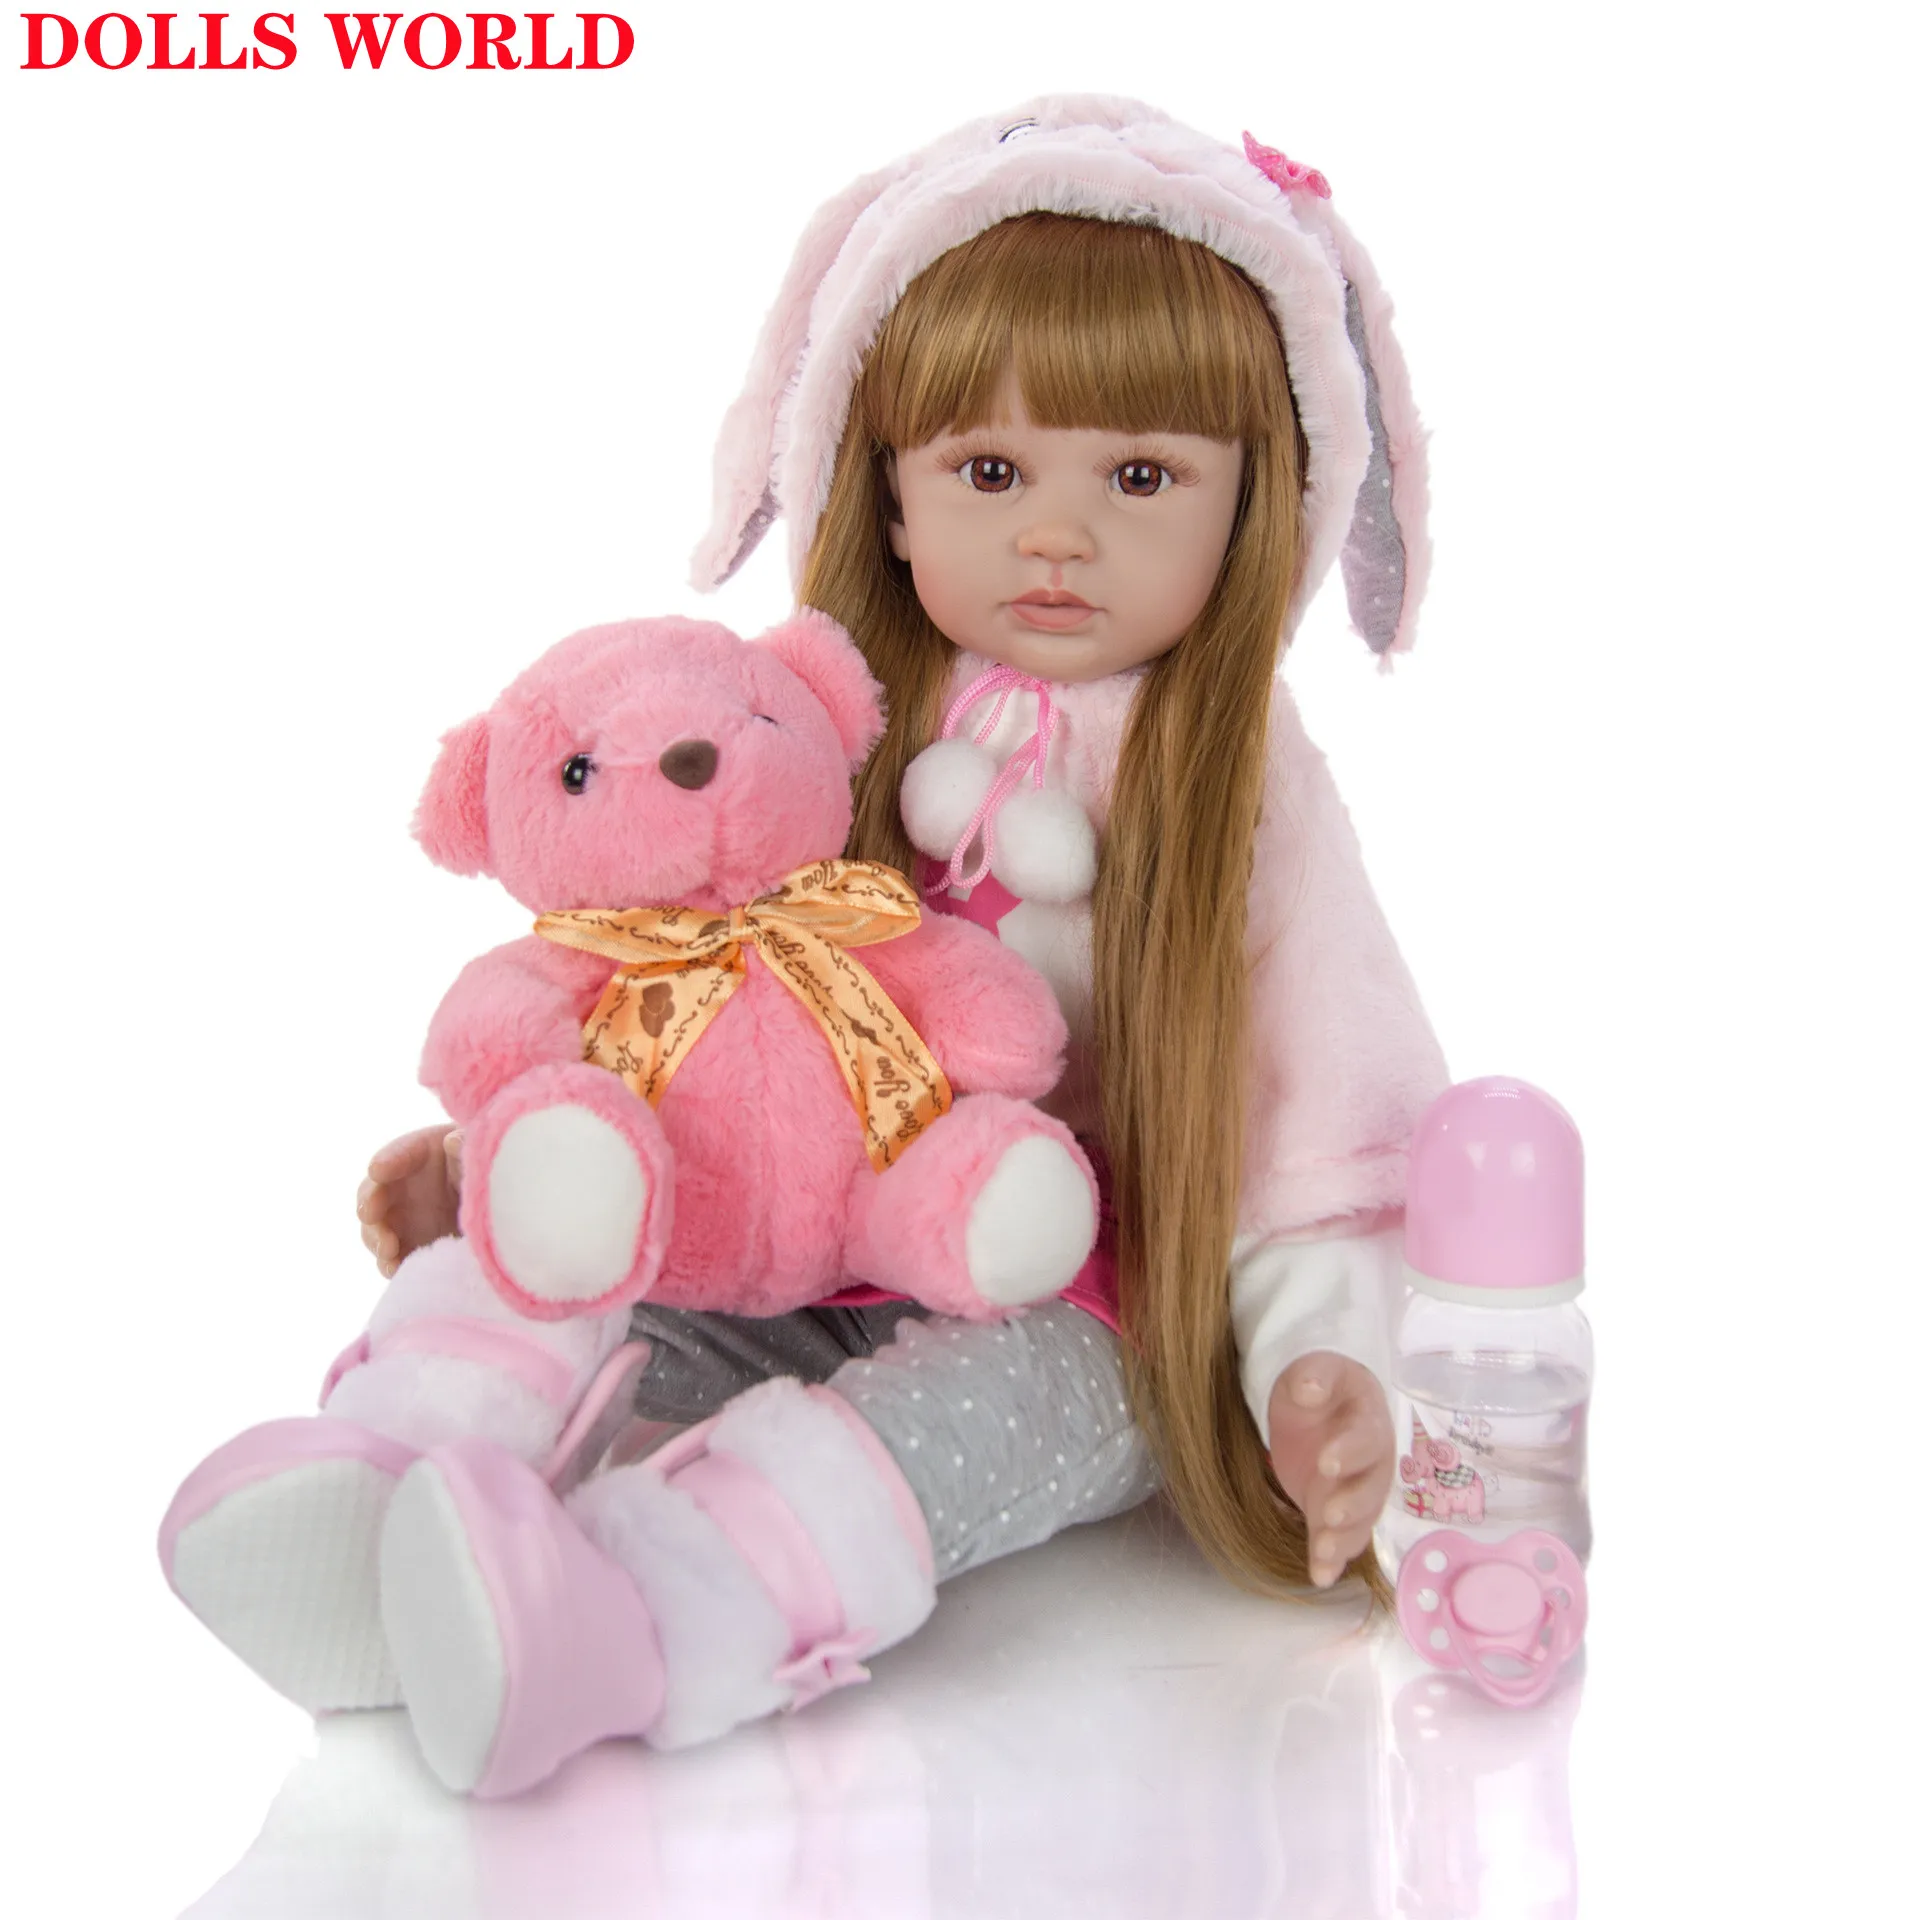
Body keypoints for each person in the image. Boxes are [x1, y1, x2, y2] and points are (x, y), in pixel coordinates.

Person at [160, 96, 1448, 1798]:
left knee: (992, 1419)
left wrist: (1319, 1364)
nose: (1057, 535)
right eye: (990, 472)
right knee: (590, 1233)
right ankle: (398, 1470)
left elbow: (1326, 1141)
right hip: (810, 1241)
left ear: (1254, 503)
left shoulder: (1242, 790)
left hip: (1085, 1306)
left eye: (1141, 477)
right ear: (887, 492)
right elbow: (685, 1001)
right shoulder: (819, 720)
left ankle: (643, 1612)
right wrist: (504, 1169)